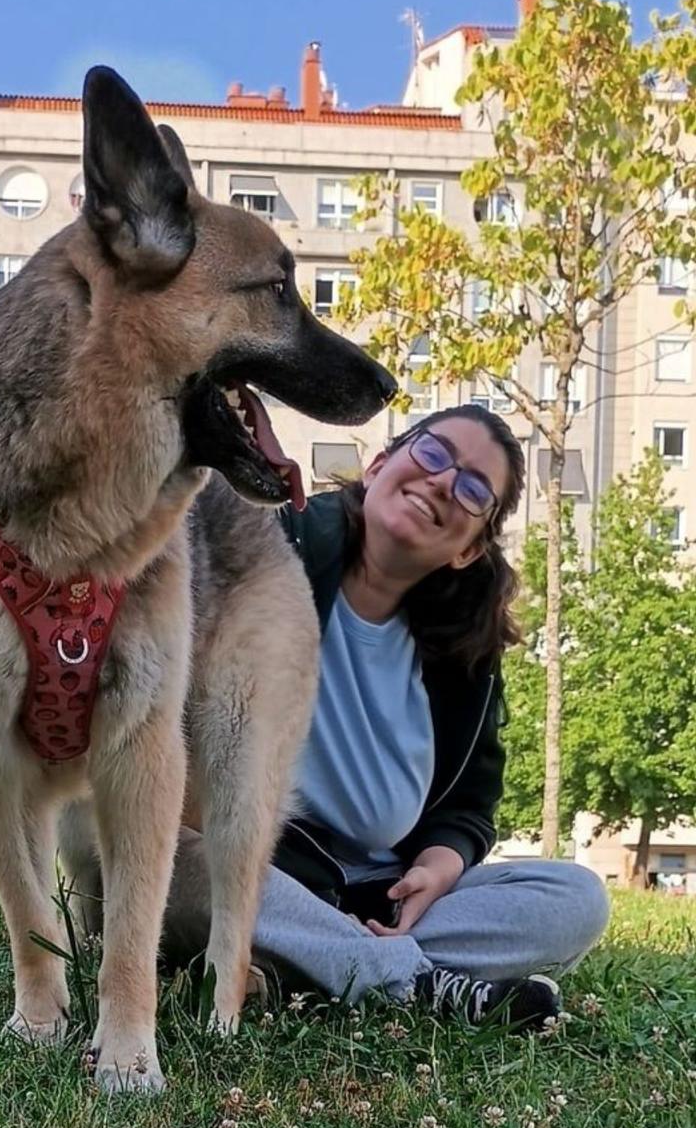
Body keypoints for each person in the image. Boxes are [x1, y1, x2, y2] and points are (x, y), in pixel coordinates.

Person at [164, 402, 610, 1029]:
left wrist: (437, 866)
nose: (443, 481)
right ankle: (413, 984)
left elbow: (467, 808)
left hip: (380, 895)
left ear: (468, 549)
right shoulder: (266, 545)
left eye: (473, 489)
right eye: (433, 453)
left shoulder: (463, 654)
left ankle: (316, 963)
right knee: (182, 867)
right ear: (377, 467)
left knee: (576, 897)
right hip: (247, 866)